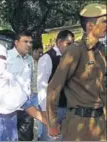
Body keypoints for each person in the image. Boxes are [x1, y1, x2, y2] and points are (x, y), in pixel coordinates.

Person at [46, 3, 107, 141]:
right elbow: (54, 88)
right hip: (78, 124)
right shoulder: (75, 51)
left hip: (100, 124)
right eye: (104, 22)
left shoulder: (102, 51)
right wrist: (53, 122)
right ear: (90, 26)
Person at [0, 44, 48, 141]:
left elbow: (27, 105)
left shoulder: (12, 80)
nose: (0, 61)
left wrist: (47, 121)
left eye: (3, 57)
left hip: (11, 136)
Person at [37, 30, 74, 141]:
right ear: (59, 42)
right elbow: (42, 87)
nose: (71, 47)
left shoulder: (69, 59)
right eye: (68, 44)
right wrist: (46, 114)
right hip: (53, 110)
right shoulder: (47, 58)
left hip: (66, 108)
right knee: (51, 138)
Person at [7, 31, 44, 141]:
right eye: (25, 41)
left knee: (26, 138)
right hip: (10, 109)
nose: (29, 45)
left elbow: (31, 81)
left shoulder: (29, 59)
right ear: (16, 42)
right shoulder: (6, 56)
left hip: (26, 108)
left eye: (30, 42)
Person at [31, 43, 43, 140]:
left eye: (41, 53)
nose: (40, 55)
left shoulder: (41, 63)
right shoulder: (28, 62)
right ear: (34, 51)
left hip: (38, 94)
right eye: (39, 52)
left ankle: (39, 135)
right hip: (29, 95)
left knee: (39, 116)